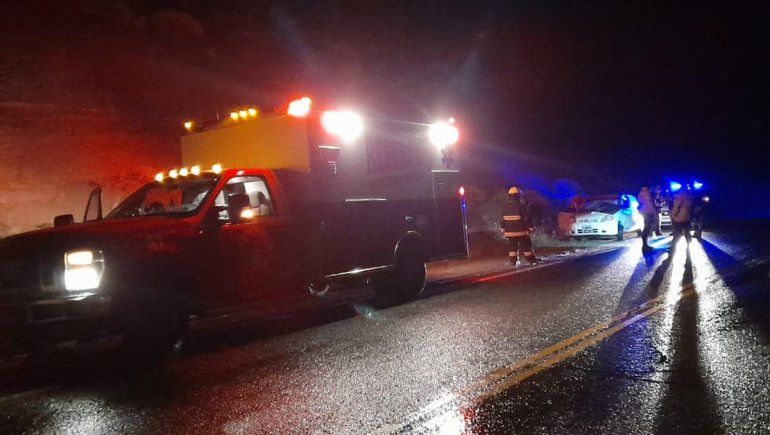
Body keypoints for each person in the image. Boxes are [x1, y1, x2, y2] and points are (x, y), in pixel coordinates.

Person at [501, 187, 539, 265]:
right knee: (526, 245)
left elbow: (502, 219)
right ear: (518, 196)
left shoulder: (504, 206)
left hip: (509, 232)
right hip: (521, 231)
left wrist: (502, 228)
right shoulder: (521, 206)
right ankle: (531, 259)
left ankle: (513, 261)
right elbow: (526, 218)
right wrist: (531, 227)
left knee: (512, 246)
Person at [637, 187, 656, 253]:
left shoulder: (640, 193)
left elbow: (639, 202)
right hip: (648, 212)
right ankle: (645, 245)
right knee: (647, 228)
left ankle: (645, 245)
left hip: (644, 211)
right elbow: (649, 204)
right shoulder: (646, 193)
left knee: (646, 228)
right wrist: (654, 212)